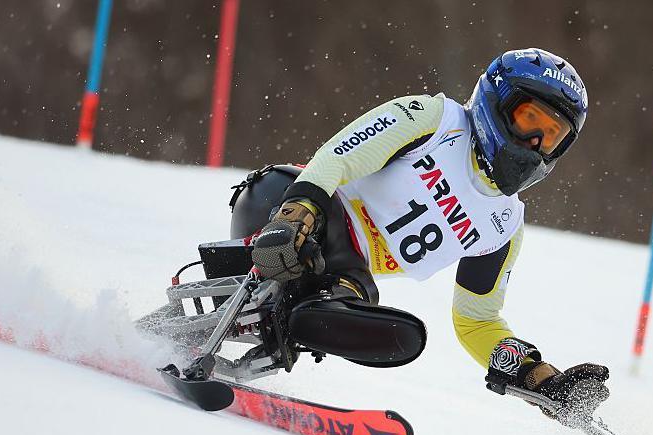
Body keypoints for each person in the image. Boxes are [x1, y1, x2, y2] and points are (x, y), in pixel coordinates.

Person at [246, 48, 609, 415]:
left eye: (550, 135)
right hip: (289, 204)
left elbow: (476, 320)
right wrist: (294, 215)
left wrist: (535, 376)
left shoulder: (504, 226)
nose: (534, 142)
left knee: (399, 335)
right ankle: (307, 311)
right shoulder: (434, 120)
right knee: (346, 283)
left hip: (337, 272)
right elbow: (336, 159)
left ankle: (297, 321)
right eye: (528, 118)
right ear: (497, 102)